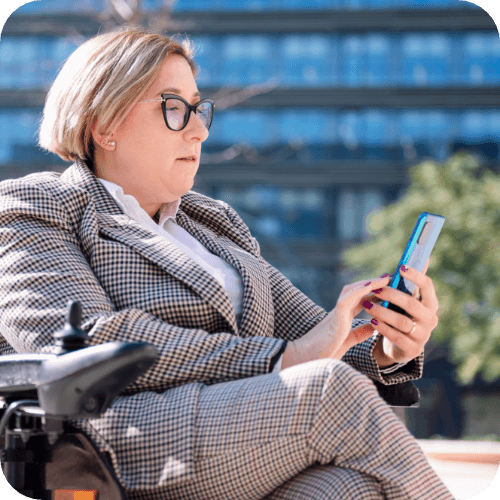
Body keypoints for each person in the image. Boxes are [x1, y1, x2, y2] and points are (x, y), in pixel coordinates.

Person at [0, 28, 453, 500]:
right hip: (122, 444)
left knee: (351, 488)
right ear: (104, 125)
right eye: (173, 108)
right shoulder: (38, 204)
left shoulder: (212, 222)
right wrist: (283, 360)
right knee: (326, 391)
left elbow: (312, 338)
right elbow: (88, 342)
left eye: (199, 109)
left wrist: (386, 347)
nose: (198, 129)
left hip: (238, 441)